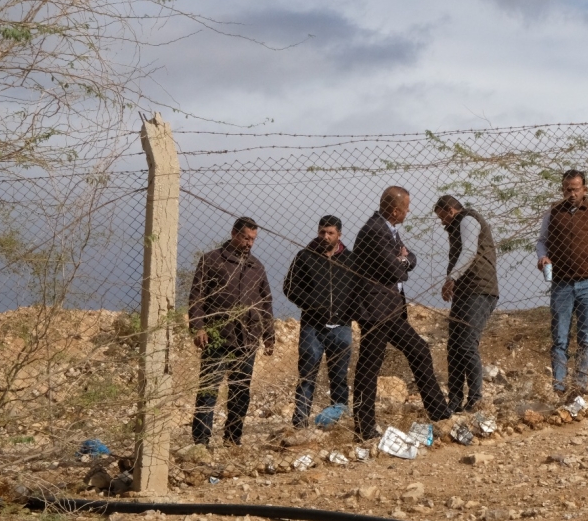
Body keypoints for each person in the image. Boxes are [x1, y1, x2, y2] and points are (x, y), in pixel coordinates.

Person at [348, 186, 451, 440]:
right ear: (395, 210)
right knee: (370, 367)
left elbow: (410, 258)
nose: (409, 211)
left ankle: (439, 414)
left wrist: (404, 260)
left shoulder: (388, 231)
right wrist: (403, 261)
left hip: (388, 310)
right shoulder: (375, 231)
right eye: (406, 207)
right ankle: (364, 427)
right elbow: (395, 269)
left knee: (416, 351)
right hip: (376, 310)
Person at [187, 216, 274, 446]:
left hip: (246, 340)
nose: (249, 243)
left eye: (253, 239)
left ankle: (233, 439)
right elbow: (196, 297)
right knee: (208, 390)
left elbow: (266, 303)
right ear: (234, 233)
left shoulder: (257, 267)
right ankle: (201, 442)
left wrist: (270, 336)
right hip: (216, 338)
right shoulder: (212, 261)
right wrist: (198, 327)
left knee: (240, 392)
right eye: (246, 237)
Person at [536, 169, 588, 394]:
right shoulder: (553, 212)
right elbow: (541, 241)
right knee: (560, 338)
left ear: (585, 189)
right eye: (567, 189)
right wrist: (542, 257)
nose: (571, 194)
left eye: (576, 189)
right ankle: (560, 386)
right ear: (562, 189)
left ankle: (579, 385)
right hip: (561, 283)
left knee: (586, 338)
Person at [283, 215, 354, 429]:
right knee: (307, 375)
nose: (325, 236)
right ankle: (300, 423)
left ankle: (336, 422)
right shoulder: (305, 257)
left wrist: (351, 311)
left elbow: (358, 290)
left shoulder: (350, 259)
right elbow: (290, 288)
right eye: (322, 232)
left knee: (339, 377)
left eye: (330, 233)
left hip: (341, 326)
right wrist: (313, 304)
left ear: (339, 235)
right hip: (312, 326)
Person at [434, 195, 499, 413]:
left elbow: (469, 251)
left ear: (451, 211)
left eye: (443, 218)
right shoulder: (457, 225)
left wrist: (452, 277)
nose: (443, 223)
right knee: (454, 346)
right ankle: (454, 400)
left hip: (479, 289)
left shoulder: (468, 220)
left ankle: (475, 398)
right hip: (465, 291)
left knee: (466, 343)